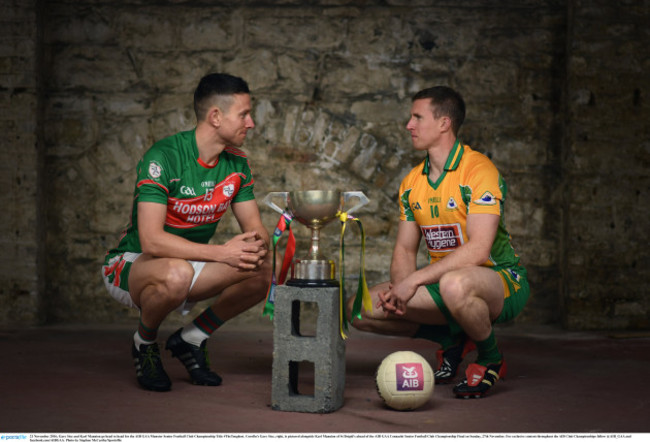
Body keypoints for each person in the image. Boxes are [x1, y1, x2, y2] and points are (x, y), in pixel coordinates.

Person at [349, 86, 529, 399]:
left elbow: (479, 249)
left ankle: (490, 358)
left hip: (500, 282)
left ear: (444, 123)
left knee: (454, 284)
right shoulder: (412, 182)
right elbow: (405, 249)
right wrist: (400, 291)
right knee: (360, 310)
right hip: (445, 283)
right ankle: (452, 339)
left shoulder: (478, 170)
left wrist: (414, 281)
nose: (409, 125)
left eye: (417, 117)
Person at [101, 73, 271, 392]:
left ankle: (192, 338)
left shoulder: (237, 163)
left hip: (191, 264)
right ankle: (144, 342)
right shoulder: (164, 157)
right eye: (244, 114)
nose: (250, 123)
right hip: (133, 263)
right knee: (176, 273)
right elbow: (152, 240)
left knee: (266, 270)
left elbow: (255, 228)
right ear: (216, 116)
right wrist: (223, 252)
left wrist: (259, 245)